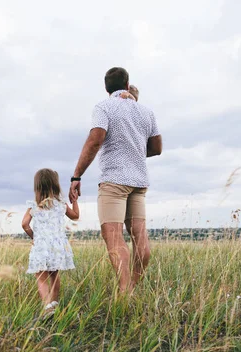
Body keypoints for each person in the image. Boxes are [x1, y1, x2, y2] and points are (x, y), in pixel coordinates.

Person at [69, 67, 162, 294]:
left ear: (106, 87)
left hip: (114, 181)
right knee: (140, 237)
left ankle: (124, 294)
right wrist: (134, 151)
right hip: (139, 183)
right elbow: (156, 148)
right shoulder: (146, 112)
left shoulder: (103, 107)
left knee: (114, 238)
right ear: (127, 83)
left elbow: (95, 141)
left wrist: (76, 175)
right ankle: (131, 288)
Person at [22, 168, 80, 314]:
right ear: (55, 185)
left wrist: (34, 237)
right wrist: (74, 201)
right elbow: (75, 216)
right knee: (54, 275)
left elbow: (24, 224)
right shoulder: (61, 204)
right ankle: (54, 304)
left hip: (41, 246)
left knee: (41, 277)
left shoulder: (35, 205)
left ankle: (47, 307)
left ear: (37, 186)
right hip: (57, 247)